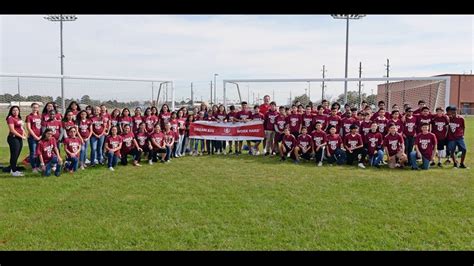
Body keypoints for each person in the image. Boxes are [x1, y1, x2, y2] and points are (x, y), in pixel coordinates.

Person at [6, 106, 27, 176]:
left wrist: (24, 133)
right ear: (11, 111)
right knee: (14, 155)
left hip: (19, 139)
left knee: (17, 155)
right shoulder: (10, 118)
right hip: (13, 138)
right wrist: (21, 136)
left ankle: (13, 169)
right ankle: (13, 171)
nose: (15, 112)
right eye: (14, 110)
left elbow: (22, 127)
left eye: (17, 110)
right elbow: (12, 130)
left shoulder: (18, 118)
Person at [25, 103, 42, 173]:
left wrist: (41, 136)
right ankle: (33, 167)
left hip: (40, 137)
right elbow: (29, 128)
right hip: (32, 138)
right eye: (34, 107)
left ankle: (38, 166)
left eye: (37, 107)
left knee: (39, 152)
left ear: (38, 108)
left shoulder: (40, 116)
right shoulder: (29, 116)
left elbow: (43, 127)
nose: (35, 109)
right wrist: (35, 136)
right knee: (33, 152)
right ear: (31, 108)